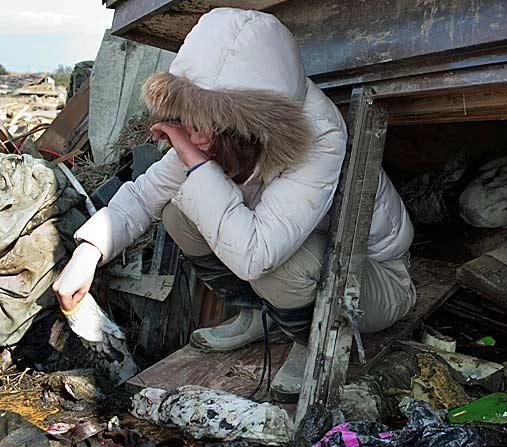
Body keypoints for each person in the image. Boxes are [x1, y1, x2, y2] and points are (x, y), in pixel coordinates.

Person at [53, 7, 416, 401]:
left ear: (249, 118)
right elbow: (143, 196)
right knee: (179, 215)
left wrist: (194, 161)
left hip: (374, 277)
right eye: (190, 117)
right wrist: (87, 253)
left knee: (276, 266)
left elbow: (255, 256)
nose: (194, 134)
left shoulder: (320, 138)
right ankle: (257, 316)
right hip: (301, 258)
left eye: (208, 120)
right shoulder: (215, 128)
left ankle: (309, 338)